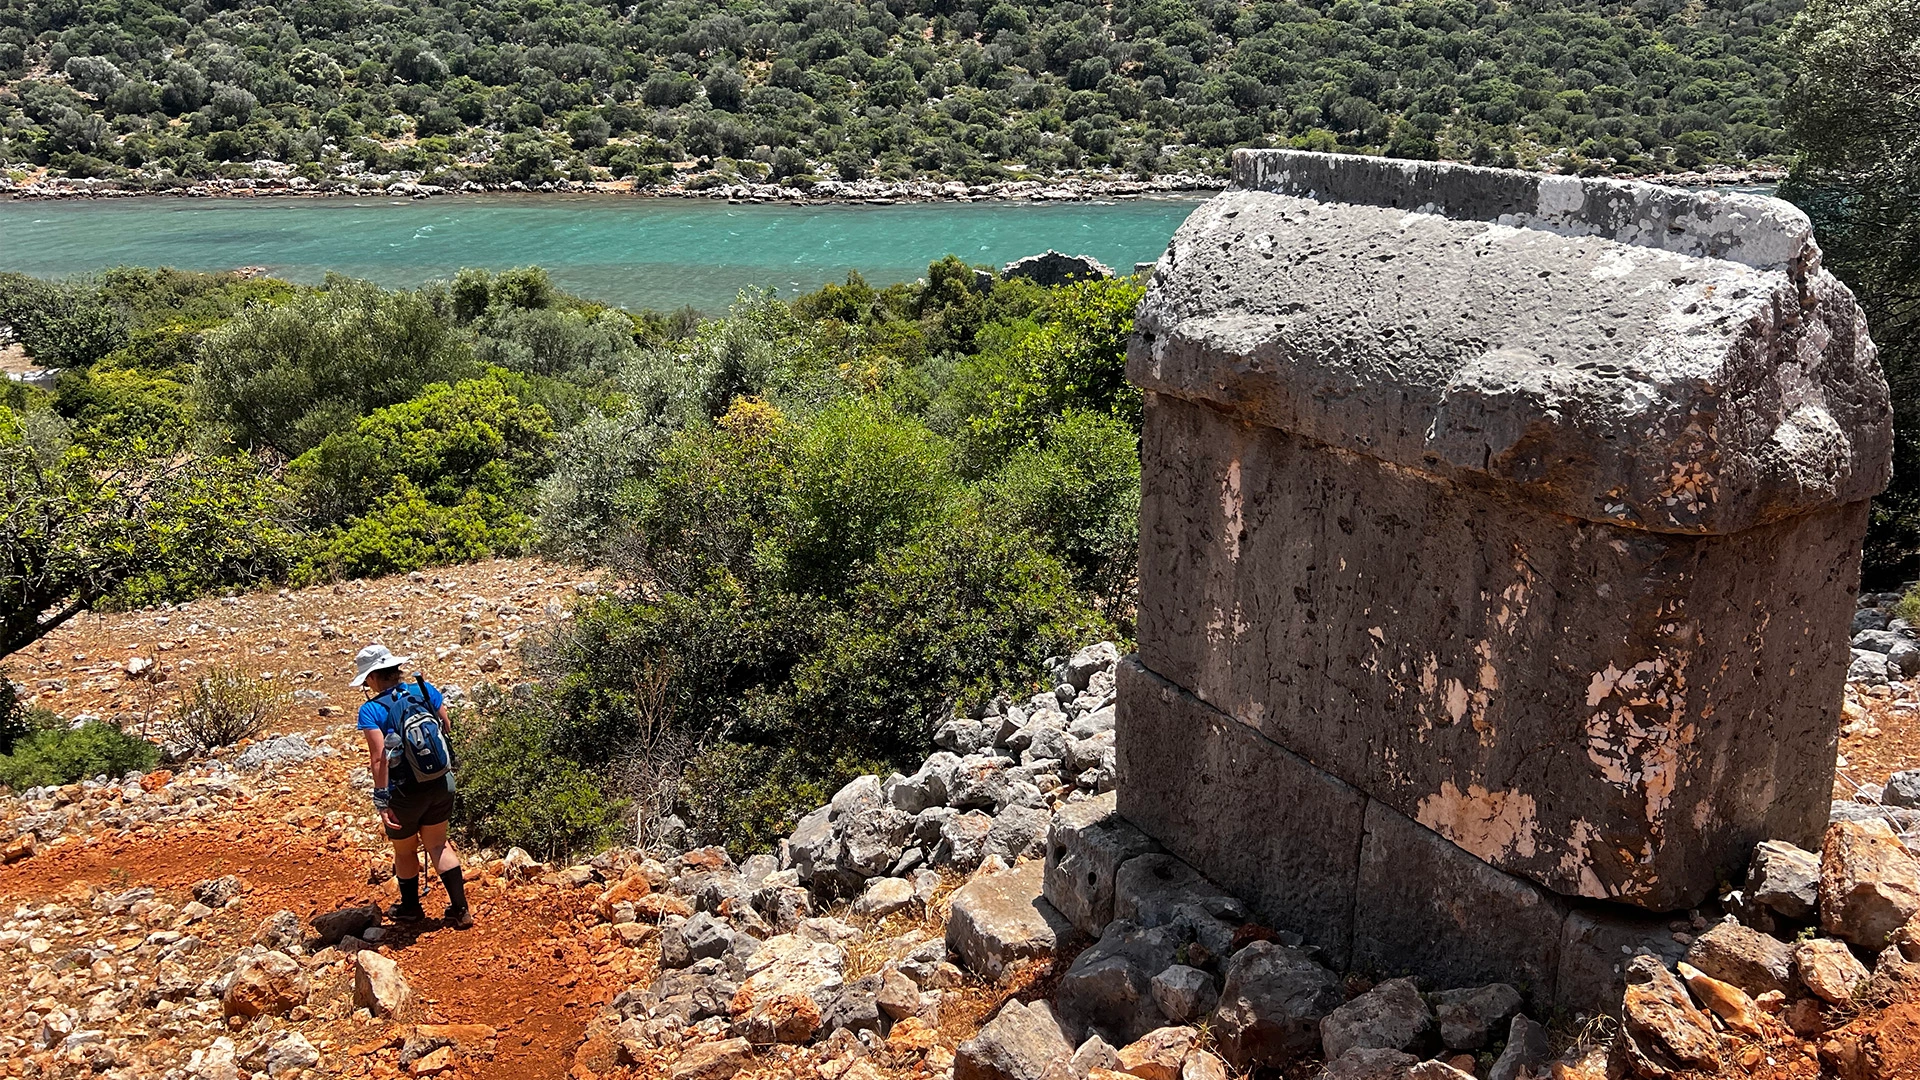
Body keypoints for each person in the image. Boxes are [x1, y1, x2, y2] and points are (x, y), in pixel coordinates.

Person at [351, 643, 471, 929]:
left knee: (405, 850)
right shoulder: (424, 690)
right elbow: (446, 725)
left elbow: (379, 757)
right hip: (441, 781)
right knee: (438, 844)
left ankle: (411, 908)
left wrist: (382, 800)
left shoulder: (371, 710)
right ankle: (461, 910)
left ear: (372, 677)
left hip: (404, 792)